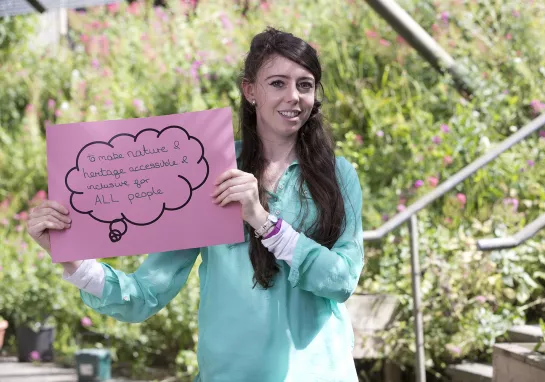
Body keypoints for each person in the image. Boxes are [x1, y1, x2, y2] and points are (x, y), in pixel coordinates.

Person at [27, 27, 364, 382]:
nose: (293, 96)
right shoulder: (207, 170)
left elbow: (341, 281)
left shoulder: (338, 176)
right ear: (250, 91)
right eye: (277, 83)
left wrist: (265, 223)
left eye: (305, 84)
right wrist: (72, 260)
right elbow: (145, 294)